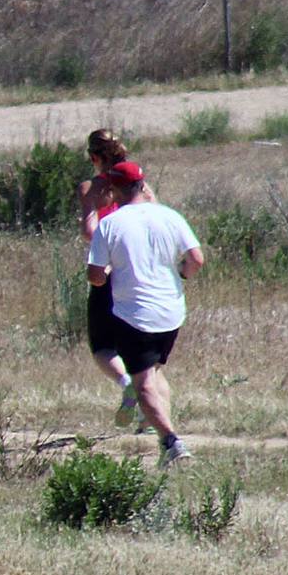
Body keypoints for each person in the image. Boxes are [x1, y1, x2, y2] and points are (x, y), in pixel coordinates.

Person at [86, 162, 203, 467]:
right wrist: (181, 275)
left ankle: (171, 441)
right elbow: (196, 259)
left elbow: (95, 275)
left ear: (113, 190)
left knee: (142, 384)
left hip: (134, 314)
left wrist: (108, 273)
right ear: (142, 185)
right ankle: (165, 442)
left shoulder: (110, 225)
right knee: (154, 373)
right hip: (172, 311)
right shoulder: (170, 215)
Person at [76, 129, 159, 429]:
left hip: (108, 272)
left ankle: (125, 383)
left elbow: (89, 230)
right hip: (143, 272)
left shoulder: (93, 188)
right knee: (142, 344)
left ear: (94, 157)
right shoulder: (141, 186)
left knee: (103, 347)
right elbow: (156, 219)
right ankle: (147, 415)